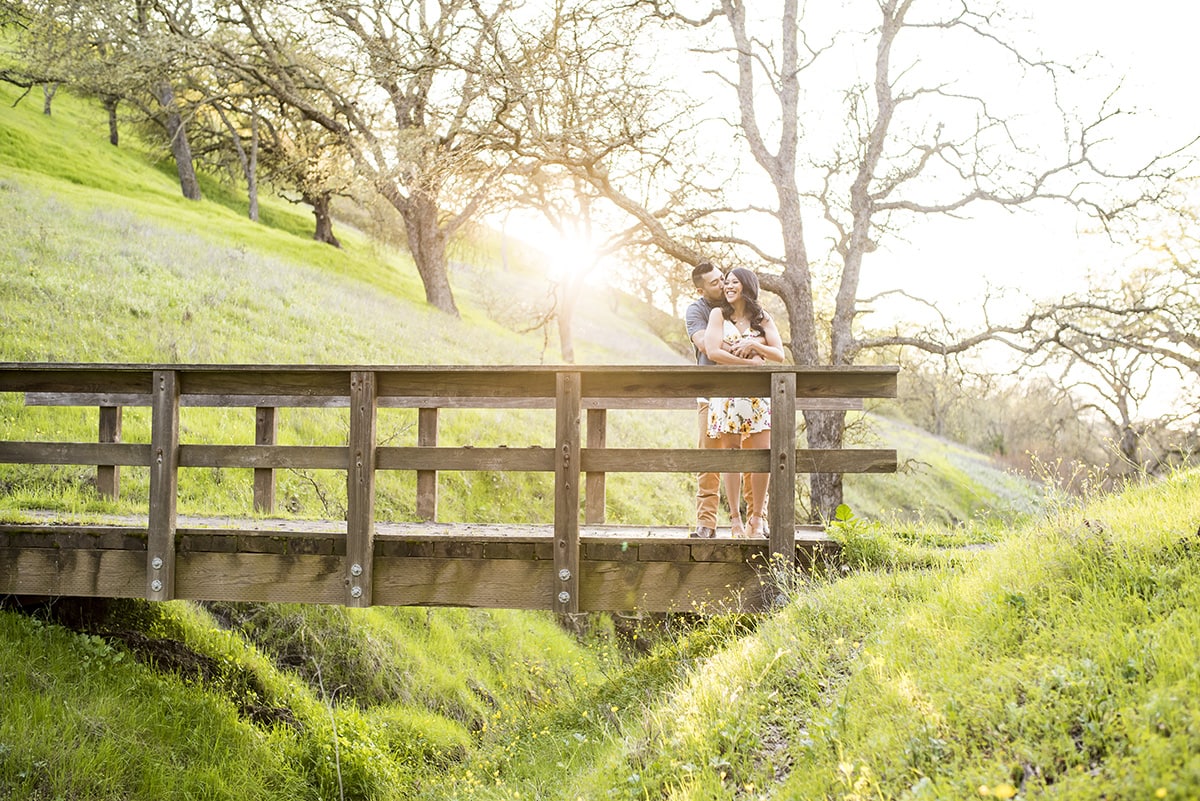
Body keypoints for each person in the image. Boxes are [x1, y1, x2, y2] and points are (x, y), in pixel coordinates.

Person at [703, 267, 785, 537]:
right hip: (727, 395)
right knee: (733, 457)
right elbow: (714, 351)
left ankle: (757, 519)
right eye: (726, 282)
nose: (727, 286)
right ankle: (735, 519)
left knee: (761, 457)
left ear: (747, 287)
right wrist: (748, 363)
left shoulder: (762, 317)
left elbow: (779, 355)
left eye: (734, 282)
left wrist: (757, 347)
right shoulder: (718, 315)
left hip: (757, 398)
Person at [685, 263, 727, 538]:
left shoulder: (739, 300)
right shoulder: (696, 310)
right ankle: (706, 523)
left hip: (747, 395)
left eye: (723, 278)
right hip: (711, 392)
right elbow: (704, 345)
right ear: (701, 289)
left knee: (753, 459)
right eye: (715, 283)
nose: (723, 285)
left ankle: (755, 523)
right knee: (709, 458)